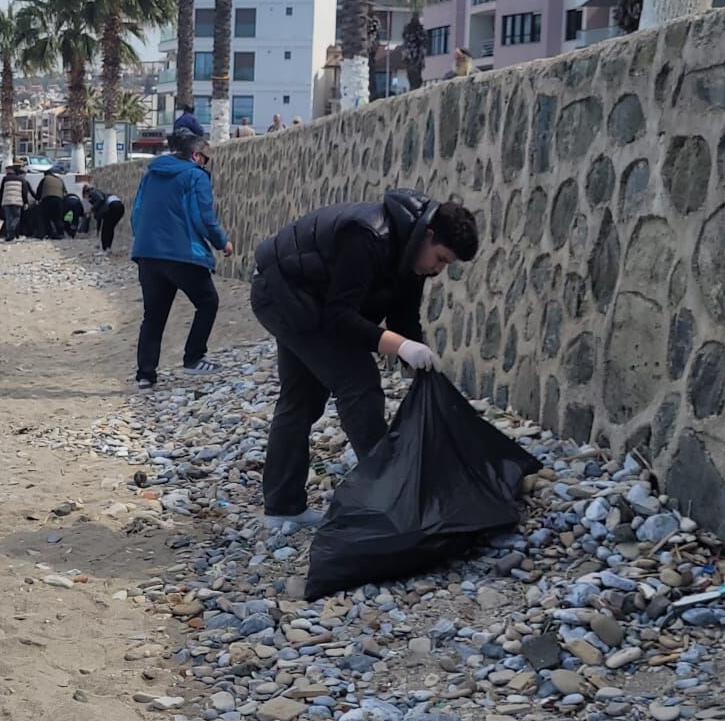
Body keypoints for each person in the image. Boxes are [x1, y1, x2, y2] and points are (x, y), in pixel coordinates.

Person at [249, 189, 479, 529]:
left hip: (309, 300)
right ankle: (390, 498)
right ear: (429, 235)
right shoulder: (368, 236)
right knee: (358, 384)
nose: (439, 270)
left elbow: (403, 317)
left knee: (301, 399)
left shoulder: (411, 255)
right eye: (441, 259)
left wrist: (420, 365)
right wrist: (400, 347)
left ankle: (283, 507)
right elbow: (339, 318)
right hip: (282, 295)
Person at [128, 126, 230, 389]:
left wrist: (144, 242)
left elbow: (137, 212)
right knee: (208, 302)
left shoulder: (151, 174)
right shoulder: (196, 176)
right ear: (196, 155)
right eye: (205, 157)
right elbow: (203, 217)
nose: (206, 163)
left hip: (148, 254)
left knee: (153, 316)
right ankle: (194, 358)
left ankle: (145, 374)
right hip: (182, 254)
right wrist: (222, 243)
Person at [85, 182, 124, 255]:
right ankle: (108, 248)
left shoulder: (93, 192)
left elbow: (100, 199)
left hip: (112, 206)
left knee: (106, 229)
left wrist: (92, 209)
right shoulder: (104, 195)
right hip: (120, 206)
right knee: (110, 228)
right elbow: (100, 218)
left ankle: (104, 249)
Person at [0, 165, 30, 240]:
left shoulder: (5, 179)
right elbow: (24, 192)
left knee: (8, 218)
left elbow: (1, 191)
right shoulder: (21, 180)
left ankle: (10, 235)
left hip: (6, 201)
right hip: (17, 201)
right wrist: (26, 202)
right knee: (16, 217)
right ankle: (12, 229)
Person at [35, 168, 66, 240]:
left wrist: (37, 199)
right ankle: (60, 234)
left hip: (47, 200)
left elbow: (39, 190)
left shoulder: (45, 179)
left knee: (46, 218)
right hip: (58, 200)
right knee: (58, 218)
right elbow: (64, 191)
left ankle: (49, 234)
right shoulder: (60, 179)